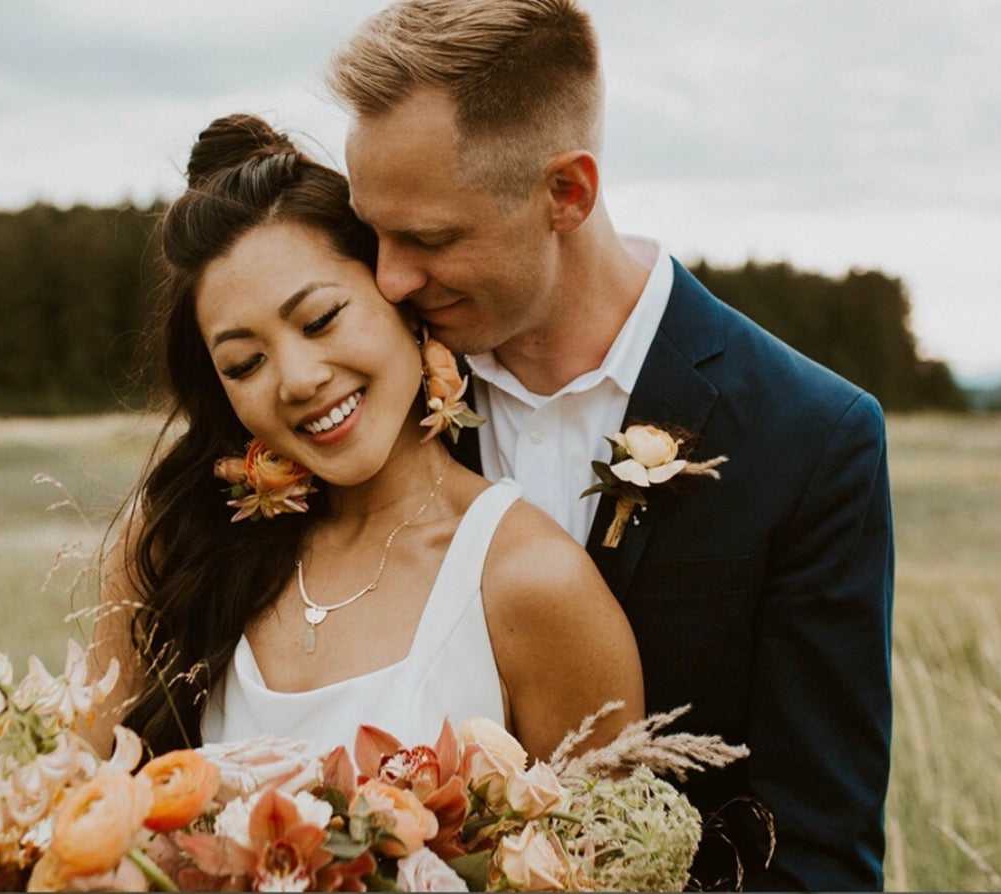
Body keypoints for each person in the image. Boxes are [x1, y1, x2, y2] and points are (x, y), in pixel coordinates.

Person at [327, 0, 894, 889]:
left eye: (430, 238)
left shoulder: (811, 439)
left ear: (567, 192)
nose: (390, 276)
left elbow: (819, 848)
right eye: (374, 233)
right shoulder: (361, 397)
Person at [88, 114, 644, 769]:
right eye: (245, 363)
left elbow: (614, 865)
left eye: (320, 320)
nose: (297, 380)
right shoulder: (173, 545)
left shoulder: (531, 582)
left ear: (401, 299)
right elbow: (73, 825)